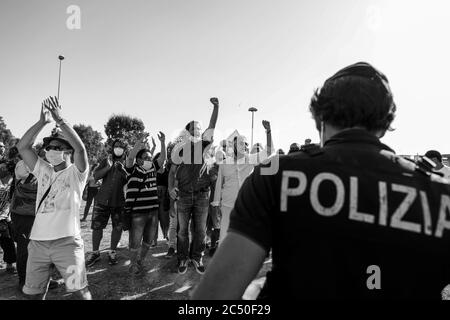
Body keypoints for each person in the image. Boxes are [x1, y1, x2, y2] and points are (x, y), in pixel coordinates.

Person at [192, 62, 450, 300]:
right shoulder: (440, 192)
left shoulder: (277, 175)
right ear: (384, 124)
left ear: (320, 119)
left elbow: (212, 298)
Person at [17, 96, 91, 300]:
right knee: (33, 294)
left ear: (68, 152)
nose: (51, 151)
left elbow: (81, 149)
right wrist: (42, 122)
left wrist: (60, 120)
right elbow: (23, 147)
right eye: (49, 147)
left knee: (79, 293)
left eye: (57, 148)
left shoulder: (77, 173)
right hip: (38, 244)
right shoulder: (43, 170)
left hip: (67, 245)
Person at [168, 97, 219, 274]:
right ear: (187, 131)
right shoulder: (178, 149)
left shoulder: (204, 144)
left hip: (202, 195)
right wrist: (169, 189)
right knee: (182, 231)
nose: (197, 131)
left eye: (198, 129)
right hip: (183, 195)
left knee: (200, 231)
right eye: (193, 128)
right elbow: (172, 172)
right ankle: (183, 259)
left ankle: (197, 258)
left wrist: (216, 107)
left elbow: (212, 125)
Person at [211, 120, 272, 244]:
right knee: (224, 236)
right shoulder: (224, 164)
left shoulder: (250, 159)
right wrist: (216, 204)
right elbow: (218, 185)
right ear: (233, 147)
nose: (243, 146)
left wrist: (268, 132)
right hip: (227, 206)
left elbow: (268, 152)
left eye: (244, 144)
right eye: (239, 144)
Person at [125, 132, 166, 274]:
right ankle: (132, 264)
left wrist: (163, 142)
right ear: (138, 160)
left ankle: (141, 261)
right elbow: (130, 157)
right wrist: (139, 142)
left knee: (148, 241)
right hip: (137, 213)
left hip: (153, 211)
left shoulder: (153, 168)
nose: (149, 159)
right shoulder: (132, 169)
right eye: (145, 157)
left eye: (150, 157)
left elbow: (162, 159)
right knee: (135, 241)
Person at [86, 139, 128, 267]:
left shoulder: (128, 162)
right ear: (113, 148)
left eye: (121, 146)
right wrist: (108, 168)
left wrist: (123, 170)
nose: (118, 148)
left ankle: (112, 251)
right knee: (97, 227)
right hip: (102, 199)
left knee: (117, 227)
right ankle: (95, 252)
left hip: (119, 201)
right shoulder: (106, 160)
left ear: (125, 149)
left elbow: (130, 179)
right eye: (116, 146)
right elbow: (96, 175)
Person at [10, 157, 38, 290]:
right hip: (23, 215)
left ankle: (37, 279)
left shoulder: (45, 165)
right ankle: (24, 281)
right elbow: (28, 181)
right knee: (25, 248)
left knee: (38, 249)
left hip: (38, 215)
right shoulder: (23, 164)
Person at [0, 159, 17, 275]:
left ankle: (10, 264)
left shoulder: (14, 182)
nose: (1, 169)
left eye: (3, 168)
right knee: (6, 240)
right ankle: (9, 264)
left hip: (7, 216)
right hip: (2, 216)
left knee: (9, 240)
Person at [153, 152, 170, 245]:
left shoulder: (167, 170)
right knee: (154, 219)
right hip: (154, 196)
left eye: (163, 158)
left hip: (164, 197)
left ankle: (166, 236)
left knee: (165, 218)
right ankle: (154, 240)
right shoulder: (153, 170)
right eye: (160, 158)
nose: (162, 160)